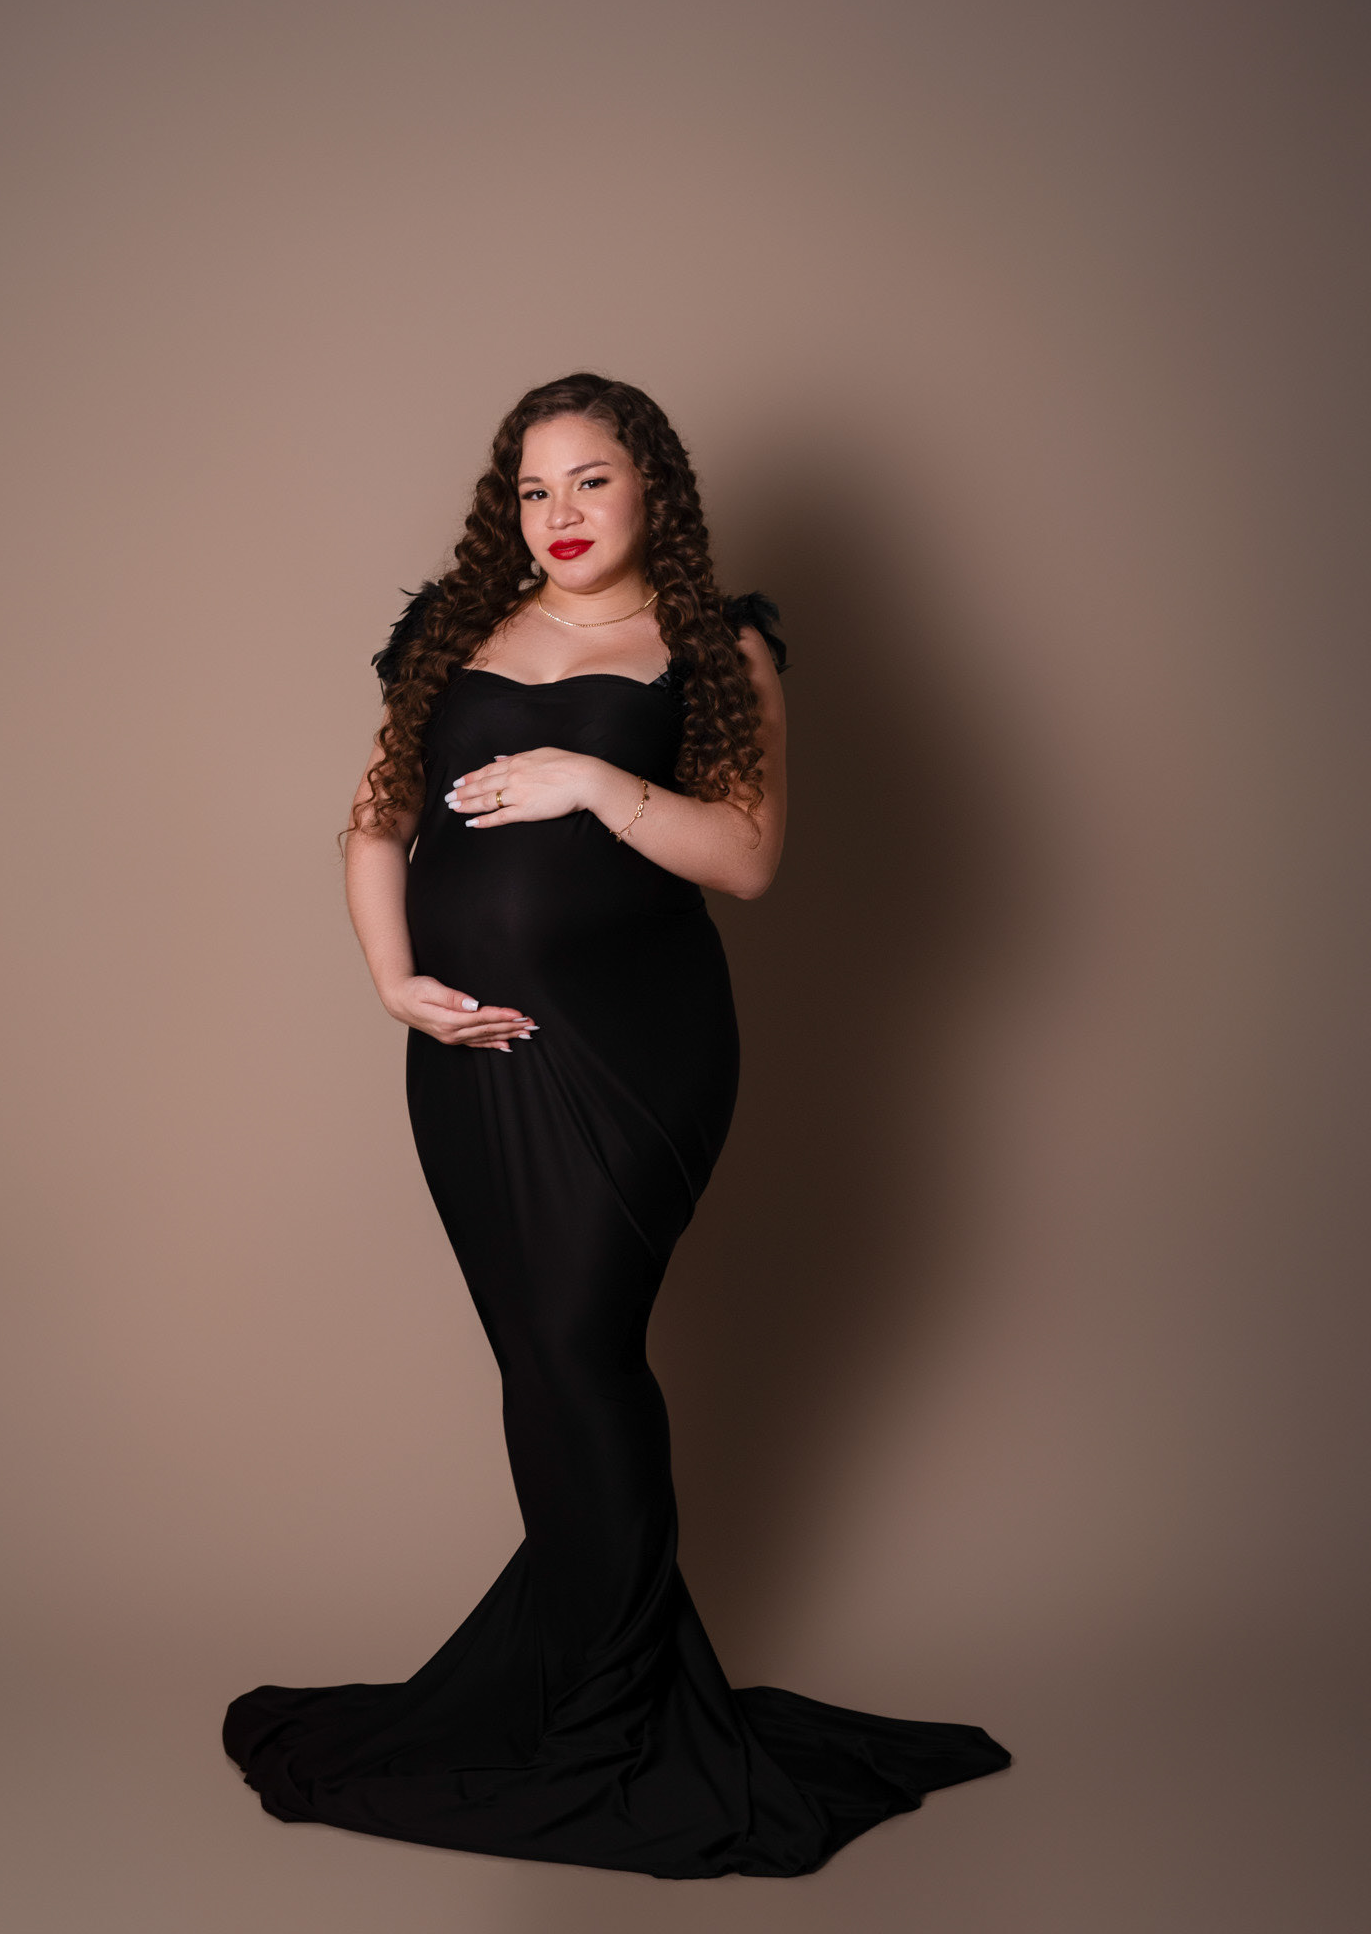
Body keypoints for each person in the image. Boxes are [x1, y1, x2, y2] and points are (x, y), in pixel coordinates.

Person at [222, 373, 1009, 1878]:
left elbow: (750, 857)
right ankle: (599, 1675)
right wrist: (394, 981)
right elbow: (376, 820)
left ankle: (612, 1714)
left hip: (638, 1054)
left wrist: (592, 779)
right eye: (533, 490)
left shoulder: (718, 648)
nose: (561, 515)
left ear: (654, 487)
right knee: (539, 1362)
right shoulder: (452, 634)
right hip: (469, 1058)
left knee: (581, 1349)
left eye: (590, 480)